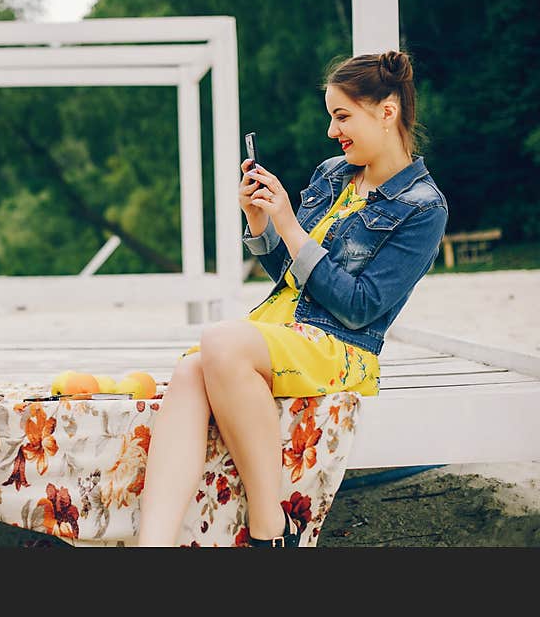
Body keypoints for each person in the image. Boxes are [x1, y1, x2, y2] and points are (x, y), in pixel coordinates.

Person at [137, 50, 448, 547]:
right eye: (332, 116)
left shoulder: (424, 207)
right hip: (285, 330)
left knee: (219, 341)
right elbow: (292, 274)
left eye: (342, 116)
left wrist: (287, 222)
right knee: (189, 371)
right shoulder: (332, 174)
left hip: (340, 345)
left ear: (387, 112)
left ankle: (269, 528)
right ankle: (151, 545)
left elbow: (360, 305)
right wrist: (261, 222)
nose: (332, 131)